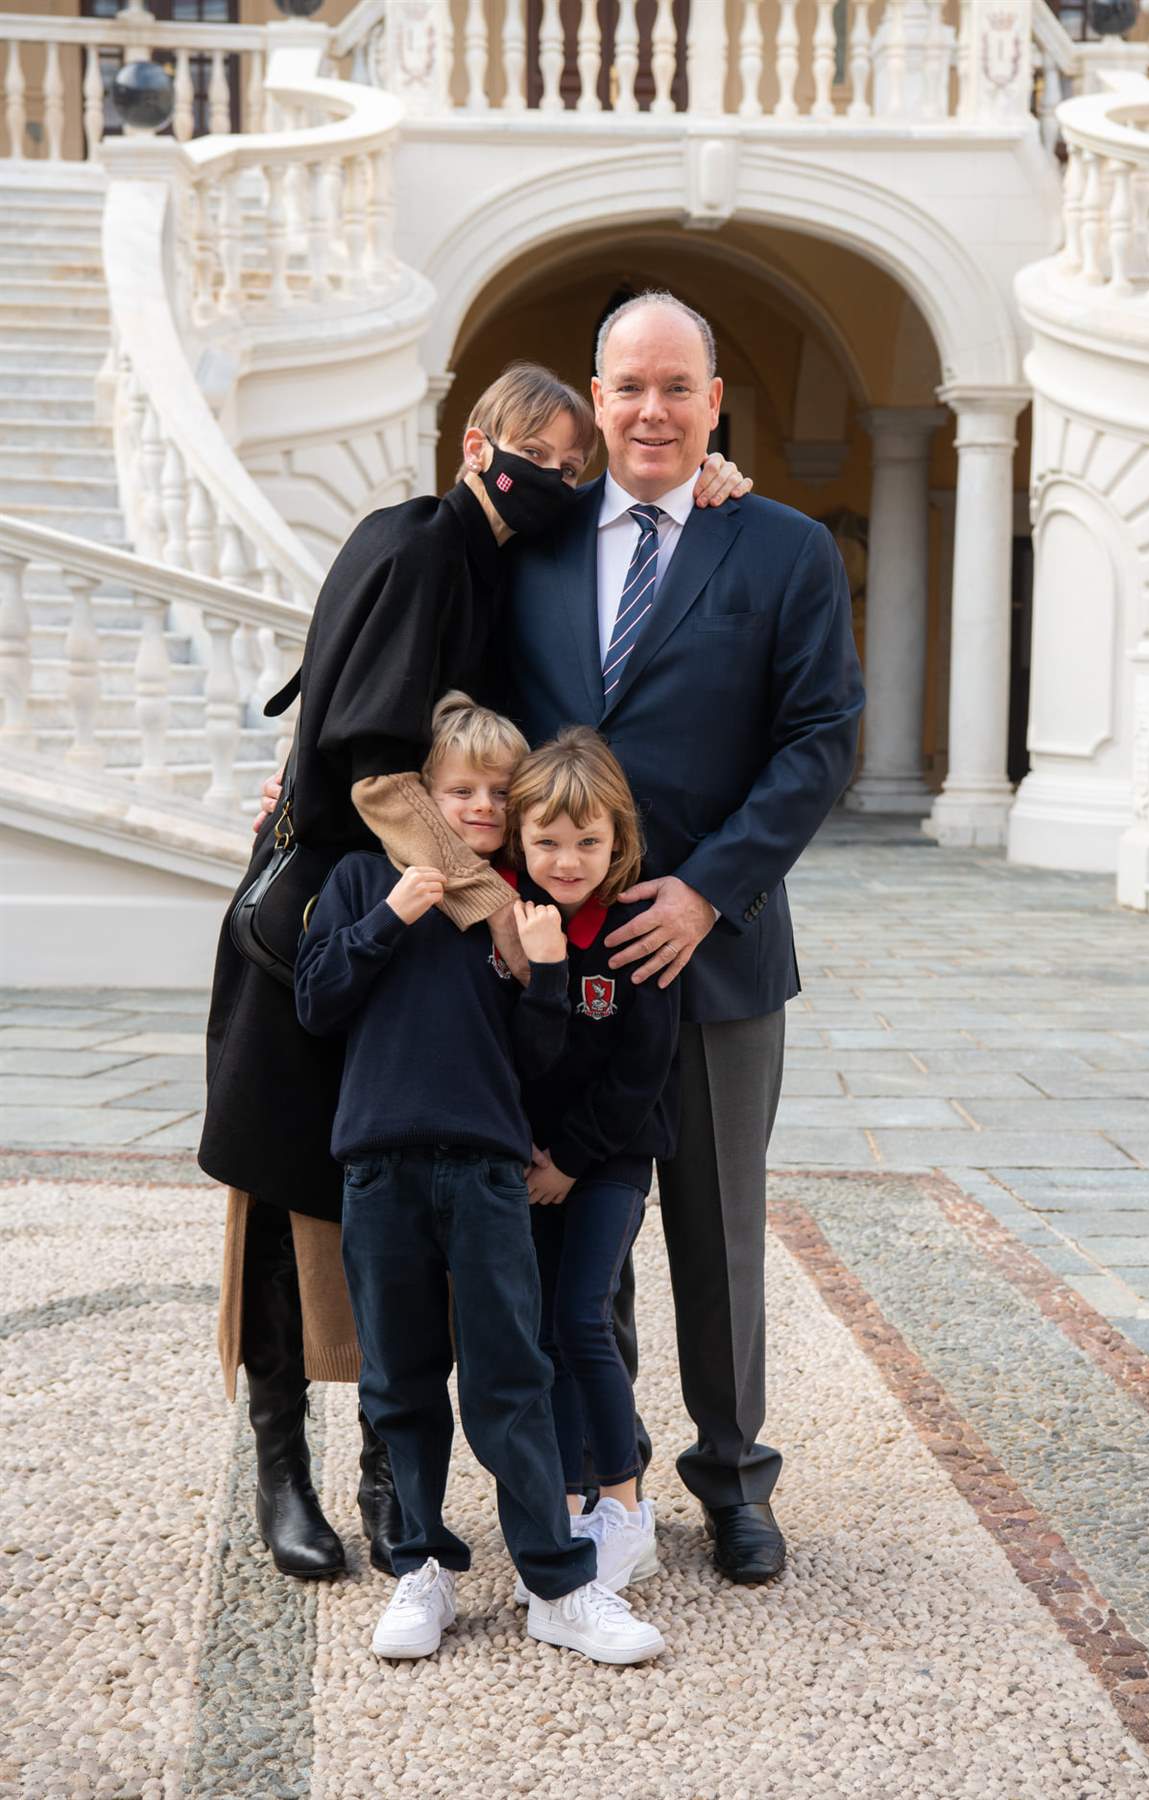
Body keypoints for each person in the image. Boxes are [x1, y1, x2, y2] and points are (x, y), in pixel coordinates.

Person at [202, 361, 750, 1582]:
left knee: (395, 1199)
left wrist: (708, 479)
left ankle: (389, 1477)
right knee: (287, 1194)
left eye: (569, 464)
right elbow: (376, 772)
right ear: (473, 444)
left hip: (428, 927)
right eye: (532, 455)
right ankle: (282, 1469)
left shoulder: (494, 559)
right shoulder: (416, 547)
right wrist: (498, 910)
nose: (551, 478)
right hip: (341, 914)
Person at [499, 292, 866, 1586]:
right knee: (575, 1226)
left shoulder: (781, 549)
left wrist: (708, 890)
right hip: (559, 963)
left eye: (676, 387)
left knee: (719, 1234)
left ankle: (735, 1479)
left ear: (714, 403)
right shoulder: (533, 547)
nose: (651, 411)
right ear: (595, 399)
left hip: (717, 956)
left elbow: (820, 739)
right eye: (629, 386)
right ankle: (607, 1476)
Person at [295, 694, 666, 1666]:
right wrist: (388, 918)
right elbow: (316, 1003)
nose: (480, 807)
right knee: (400, 1378)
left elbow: (539, 1064)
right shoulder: (361, 878)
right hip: (378, 1163)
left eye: (500, 792)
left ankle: (558, 1584)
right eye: (460, 789)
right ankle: (421, 1565)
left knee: (512, 1378)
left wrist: (546, 974)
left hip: (490, 1171)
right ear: (426, 789)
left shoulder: (518, 912)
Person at [502, 728, 679, 1602]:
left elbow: (644, 1069)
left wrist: (572, 1159)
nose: (566, 861)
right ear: (517, 838)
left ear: (619, 842)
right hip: (529, 1162)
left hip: (609, 1157)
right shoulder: (510, 927)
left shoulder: (636, 931)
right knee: (541, 1331)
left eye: (587, 842)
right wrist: (542, 971)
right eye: (546, 841)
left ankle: (625, 1507)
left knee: (583, 1318)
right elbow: (519, 1058)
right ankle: (569, 1505)